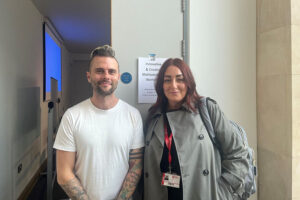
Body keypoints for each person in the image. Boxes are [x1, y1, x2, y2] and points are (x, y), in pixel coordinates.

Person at [143, 58, 249, 200]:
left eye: (180, 79)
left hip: (201, 193)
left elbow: (237, 153)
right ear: (161, 85)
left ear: (188, 83)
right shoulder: (154, 117)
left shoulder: (206, 109)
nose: (173, 85)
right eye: (167, 80)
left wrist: (222, 192)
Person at [54, 45, 144, 200]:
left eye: (111, 71)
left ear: (118, 76)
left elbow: (135, 166)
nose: (106, 76)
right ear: (89, 76)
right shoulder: (72, 116)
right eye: (99, 71)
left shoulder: (133, 115)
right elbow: (63, 174)